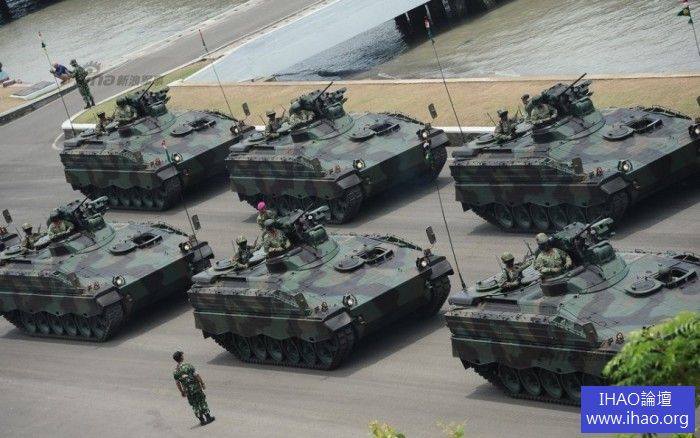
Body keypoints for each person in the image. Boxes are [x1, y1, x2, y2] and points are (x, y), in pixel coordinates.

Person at [172, 351, 215, 426]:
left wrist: (182, 392)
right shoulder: (188, 366)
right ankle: (208, 417)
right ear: (181, 357)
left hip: (188, 391)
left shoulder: (175, 371)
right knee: (201, 401)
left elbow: (178, 383)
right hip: (196, 388)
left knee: (195, 405)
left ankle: (202, 420)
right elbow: (196, 375)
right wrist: (202, 383)